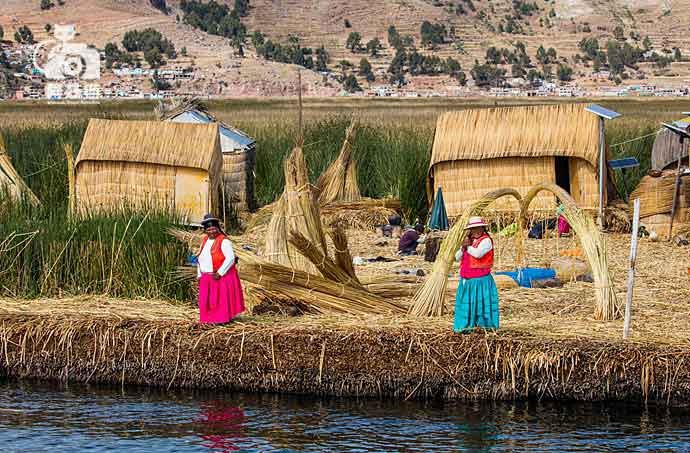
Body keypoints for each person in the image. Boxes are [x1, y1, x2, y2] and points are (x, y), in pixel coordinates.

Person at [197, 214, 245, 324]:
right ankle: (208, 320)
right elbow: (200, 258)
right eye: (209, 229)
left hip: (217, 276)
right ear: (205, 231)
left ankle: (221, 320)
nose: (211, 231)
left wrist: (220, 272)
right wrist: (199, 274)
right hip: (206, 277)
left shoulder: (224, 241)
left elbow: (230, 258)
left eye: (214, 228)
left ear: (218, 228)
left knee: (219, 301)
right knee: (206, 301)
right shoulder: (204, 241)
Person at [453, 216, 499, 333]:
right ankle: (466, 327)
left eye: (479, 228)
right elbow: (457, 257)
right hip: (467, 281)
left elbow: (478, 254)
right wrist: (463, 247)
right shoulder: (468, 241)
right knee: (466, 306)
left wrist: (467, 246)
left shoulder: (486, 240)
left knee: (480, 306)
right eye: (473, 229)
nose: (476, 231)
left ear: (483, 228)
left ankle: (483, 328)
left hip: (480, 281)